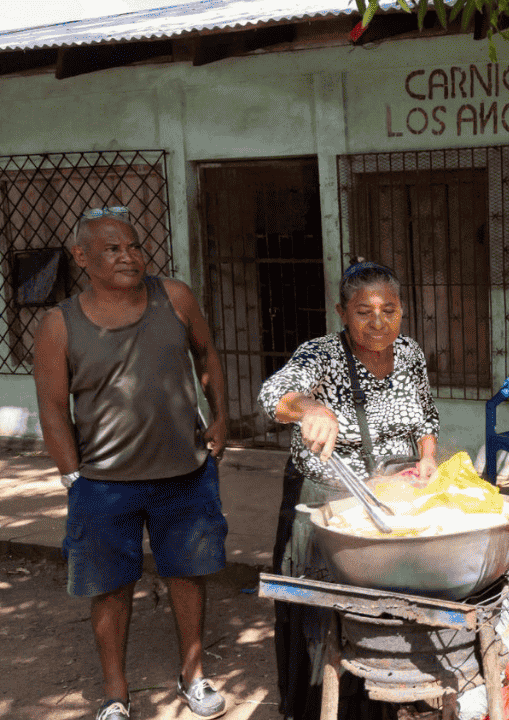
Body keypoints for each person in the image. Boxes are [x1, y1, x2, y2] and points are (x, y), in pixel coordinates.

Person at [33, 208, 229, 720]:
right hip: (103, 483)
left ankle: (193, 675)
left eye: (135, 246)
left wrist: (222, 417)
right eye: (113, 249)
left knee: (187, 575)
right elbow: (53, 407)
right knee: (109, 586)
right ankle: (116, 695)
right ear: (82, 257)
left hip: (183, 474)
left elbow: (207, 354)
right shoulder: (60, 324)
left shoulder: (175, 298)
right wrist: (73, 475)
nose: (129, 256)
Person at [258, 260, 439, 720]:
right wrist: (312, 407)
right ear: (342, 311)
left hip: (393, 495)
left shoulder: (411, 353)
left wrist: (428, 458)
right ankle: (316, 706)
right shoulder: (322, 355)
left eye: (389, 309)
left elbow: (425, 416)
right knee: (322, 613)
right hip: (326, 498)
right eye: (364, 311)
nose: (378, 322)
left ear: (402, 311)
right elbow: (276, 396)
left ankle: (387, 692)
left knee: (389, 601)